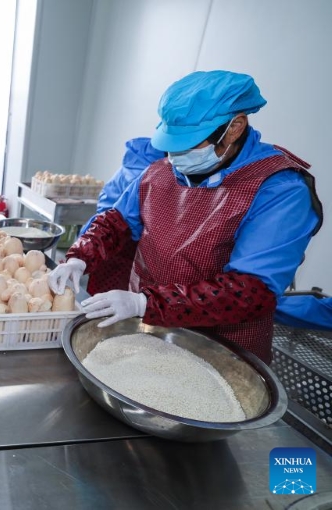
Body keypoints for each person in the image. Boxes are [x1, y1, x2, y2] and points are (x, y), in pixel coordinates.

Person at [49, 70, 323, 363]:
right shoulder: (163, 171)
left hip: (220, 350)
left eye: (190, 144)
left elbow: (249, 292)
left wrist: (145, 302)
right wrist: (80, 256)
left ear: (234, 127)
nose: (175, 156)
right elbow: (117, 221)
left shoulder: (279, 190)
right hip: (146, 331)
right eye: (171, 144)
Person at [79, 138, 165, 295]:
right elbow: (124, 218)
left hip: (104, 239)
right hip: (118, 244)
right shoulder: (153, 173)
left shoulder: (138, 157)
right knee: (111, 302)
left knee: (103, 301)